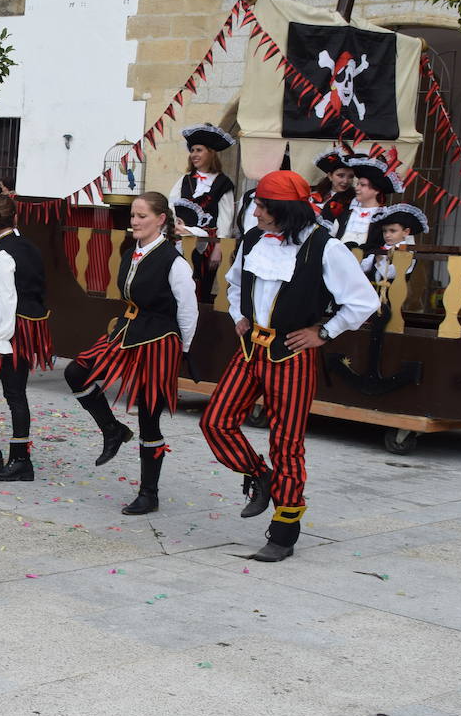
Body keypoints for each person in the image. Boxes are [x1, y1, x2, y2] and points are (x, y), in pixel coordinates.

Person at [200, 170, 378, 562]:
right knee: (215, 422)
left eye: (263, 207)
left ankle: (284, 531)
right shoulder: (252, 238)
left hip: (293, 355)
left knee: (286, 444)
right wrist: (240, 316)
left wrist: (324, 332)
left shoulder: (325, 247)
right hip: (250, 348)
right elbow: (234, 284)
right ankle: (260, 476)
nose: (256, 213)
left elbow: (364, 302)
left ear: (285, 210)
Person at [65, 192, 198, 514]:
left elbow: (188, 310)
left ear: (161, 220)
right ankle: (112, 429)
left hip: (160, 339)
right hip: (128, 330)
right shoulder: (131, 253)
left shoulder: (174, 262)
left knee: (149, 415)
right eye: (133, 216)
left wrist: (182, 350)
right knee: (76, 372)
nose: (135, 222)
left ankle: (148, 494)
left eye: (142, 216)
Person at [0, 193, 53, 481]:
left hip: (10, 332)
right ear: (15, 218)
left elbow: (6, 298)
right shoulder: (27, 245)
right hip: (25, 326)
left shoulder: (3, 254)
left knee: (10, 393)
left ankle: (19, 459)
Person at [171, 124, 236, 303]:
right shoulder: (184, 180)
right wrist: (175, 224)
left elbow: (226, 218)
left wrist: (219, 248)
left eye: (199, 150)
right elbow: (171, 205)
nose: (194, 154)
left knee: (201, 283)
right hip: (182, 239)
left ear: (211, 153)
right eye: (192, 150)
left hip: (208, 244)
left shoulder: (223, 183)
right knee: (179, 279)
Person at [331, 154, 403, 246]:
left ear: (376, 190)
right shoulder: (345, 214)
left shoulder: (384, 216)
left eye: (363, 185)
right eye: (357, 184)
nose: (357, 188)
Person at [308, 147, 354, 226]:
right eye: (341, 176)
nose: (346, 181)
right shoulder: (316, 194)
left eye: (350, 177)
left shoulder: (354, 201)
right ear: (330, 176)